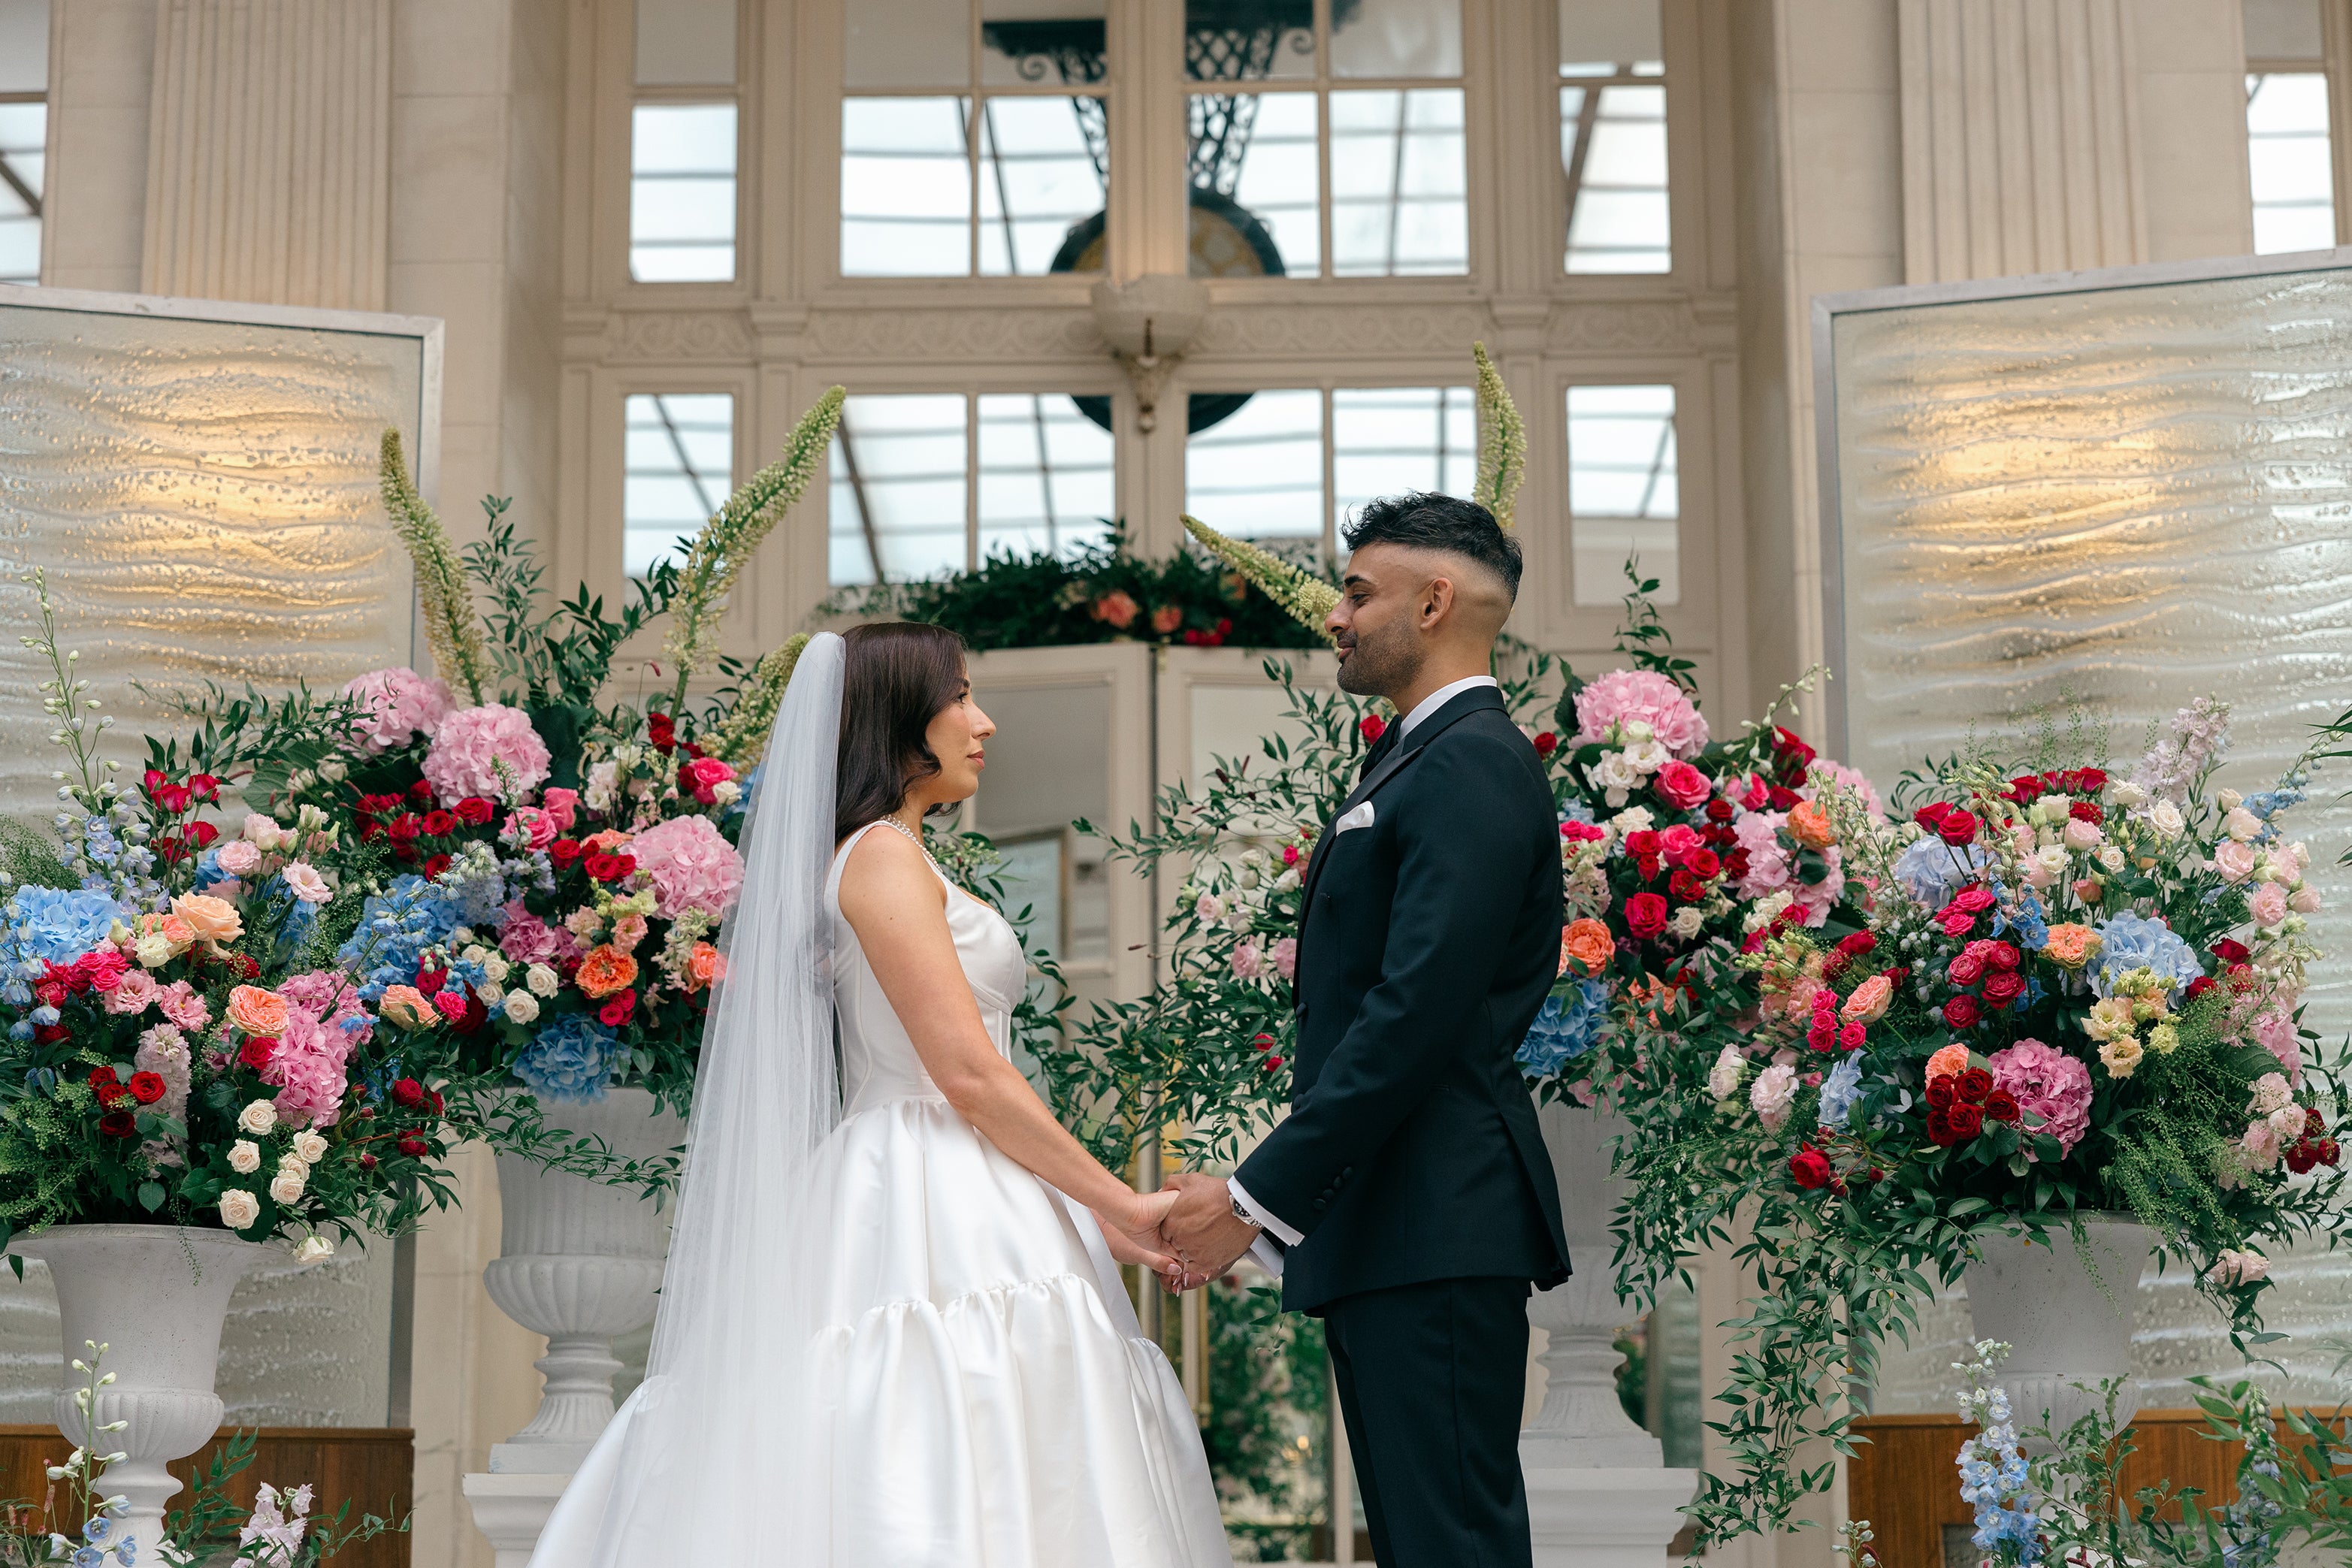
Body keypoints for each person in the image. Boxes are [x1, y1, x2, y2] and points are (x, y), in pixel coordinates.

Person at [531, 623, 1232, 1568]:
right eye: (961, 699)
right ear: (903, 718)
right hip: (917, 1181)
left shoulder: (899, 854)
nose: (984, 723)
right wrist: (1124, 1197)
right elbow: (969, 1072)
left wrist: (1113, 1230)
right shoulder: (880, 856)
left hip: (964, 1179)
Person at [1158, 492, 1574, 1568]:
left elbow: (1414, 1013)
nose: (1335, 617)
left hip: (1436, 1217)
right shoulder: (1417, 758)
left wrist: (1251, 1198)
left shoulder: (1469, 761)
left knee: (1451, 1544)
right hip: (1401, 1221)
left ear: (1434, 601)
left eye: (1356, 592)